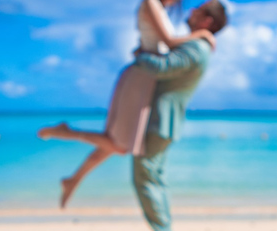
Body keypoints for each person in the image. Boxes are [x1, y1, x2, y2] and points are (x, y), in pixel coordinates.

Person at [38, 0, 216, 208]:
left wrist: (143, 50)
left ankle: (74, 179)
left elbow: (156, 44)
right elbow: (168, 41)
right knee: (119, 145)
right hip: (140, 78)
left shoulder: (161, 10)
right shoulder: (151, 3)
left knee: (112, 143)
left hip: (146, 79)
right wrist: (202, 35)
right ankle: (65, 133)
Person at [130, 0, 228, 231]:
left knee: (146, 175)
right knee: (153, 176)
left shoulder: (196, 47)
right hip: (167, 119)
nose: (192, 10)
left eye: (199, 9)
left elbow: (163, 67)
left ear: (207, 21)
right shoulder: (197, 44)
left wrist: (140, 55)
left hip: (161, 118)